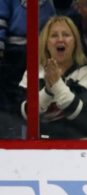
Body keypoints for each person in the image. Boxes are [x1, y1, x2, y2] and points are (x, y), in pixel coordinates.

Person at [18, 15, 87, 139]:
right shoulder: (32, 73)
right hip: (41, 148)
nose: (60, 39)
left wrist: (56, 85)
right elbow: (23, 115)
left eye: (66, 35)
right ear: (46, 43)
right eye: (54, 35)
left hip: (81, 150)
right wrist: (48, 91)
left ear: (75, 42)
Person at [0, 0, 56, 138]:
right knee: (10, 100)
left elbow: (53, 24)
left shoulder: (48, 3)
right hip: (13, 54)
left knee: (31, 96)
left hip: (39, 53)